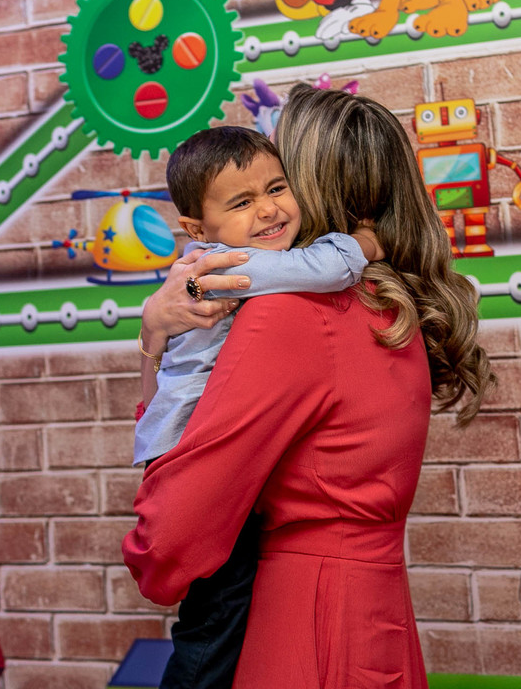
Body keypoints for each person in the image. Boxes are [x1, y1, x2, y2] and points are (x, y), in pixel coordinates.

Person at [124, 84, 496, 688]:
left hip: (306, 625)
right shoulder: (385, 302)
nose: (269, 207)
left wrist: (149, 552)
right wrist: (156, 332)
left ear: (308, 182)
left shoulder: (290, 314)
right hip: (376, 618)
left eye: (279, 181)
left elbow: (171, 540)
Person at [135, 125, 384, 689]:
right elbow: (326, 269)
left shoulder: (205, 271)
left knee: (231, 607)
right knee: (218, 614)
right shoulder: (225, 266)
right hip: (194, 454)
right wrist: (367, 242)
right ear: (197, 228)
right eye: (241, 202)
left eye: (276, 188)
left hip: (198, 445)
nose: (269, 210)